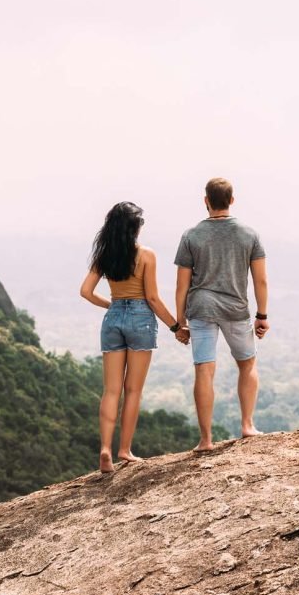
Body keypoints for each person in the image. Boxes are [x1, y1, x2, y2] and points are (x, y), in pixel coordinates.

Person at [80, 201, 190, 473]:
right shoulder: (146, 255)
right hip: (141, 319)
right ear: (135, 228)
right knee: (133, 390)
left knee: (111, 390)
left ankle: (104, 449)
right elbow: (152, 297)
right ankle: (124, 450)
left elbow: (86, 291)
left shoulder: (103, 255)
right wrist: (176, 328)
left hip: (114, 317)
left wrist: (113, 306)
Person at [174, 178, 269, 451]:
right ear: (232, 200)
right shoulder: (249, 234)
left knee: (204, 369)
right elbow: (260, 281)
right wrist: (262, 315)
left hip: (201, 308)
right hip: (236, 309)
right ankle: (247, 425)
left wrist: (179, 321)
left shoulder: (191, 235)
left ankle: (205, 440)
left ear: (206, 200)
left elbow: (182, 285)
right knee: (247, 364)